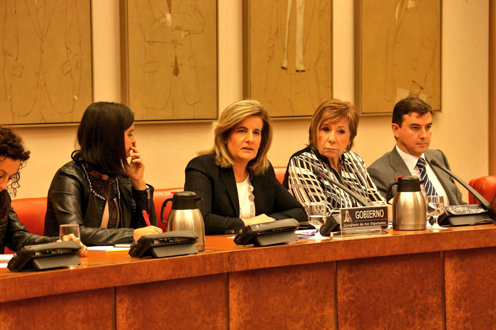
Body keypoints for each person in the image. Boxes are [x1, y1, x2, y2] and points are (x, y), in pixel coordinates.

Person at [44, 102, 162, 245]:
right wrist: (131, 234)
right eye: (129, 134)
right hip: (74, 263)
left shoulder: (120, 177)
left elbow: (149, 230)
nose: (134, 140)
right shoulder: (69, 177)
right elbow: (74, 233)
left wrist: (139, 184)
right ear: (111, 138)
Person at [184, 99, 306, 235]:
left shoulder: (263, 171)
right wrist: (247, 224)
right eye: (242, 131)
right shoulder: (202, 167)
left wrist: (269, 221)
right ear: (225, 135)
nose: (250, 139)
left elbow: (299, 212)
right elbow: (199, 220)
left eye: (256, 132)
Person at [283, 99, 385, 215]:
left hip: (363, 232)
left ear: (350, 138)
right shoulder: (302, 162)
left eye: (341, 131)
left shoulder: (355, 162)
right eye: (325, 129)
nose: (332, 139)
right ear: (314, 132)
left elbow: (379, 208)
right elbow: (320, 215)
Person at [0, 127, 86, 256]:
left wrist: (58, 243)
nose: (4, 185)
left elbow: (19, 237)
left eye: (10, 178)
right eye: (0, 176)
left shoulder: (2, 198)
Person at [368, 97, 464, 205]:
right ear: (396, 130)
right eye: (415, 128)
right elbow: (381, 219)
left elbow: (459, 205)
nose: (423, 135)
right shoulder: (379, 173)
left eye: (428, 127)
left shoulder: (438, 158)